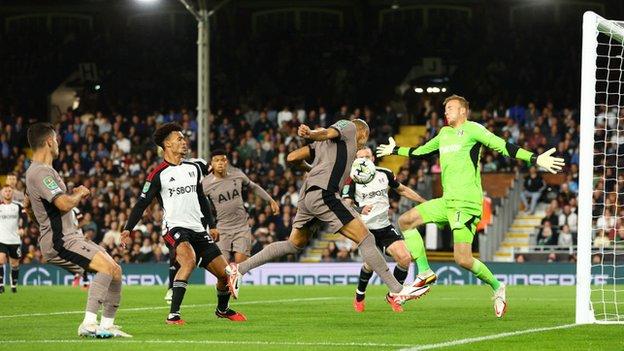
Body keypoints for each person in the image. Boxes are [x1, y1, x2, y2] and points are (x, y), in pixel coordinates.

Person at [376, 95, 565, 318]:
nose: (446, 112)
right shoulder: (444, 134)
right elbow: (422, 151)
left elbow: (504, 146)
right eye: (445, 108)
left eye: (450, 108)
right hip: (447, 201)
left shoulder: (474, 130)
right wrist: (395, 150)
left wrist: (535, 159)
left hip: (466, 203)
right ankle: (425, 272)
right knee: (405, 220)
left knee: (462, 259)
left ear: (463, 111)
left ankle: (497, 287)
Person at [227, 119, 430, 309]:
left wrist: (312, 168)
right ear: (363, 133)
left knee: (293, 244)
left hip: (308, 196)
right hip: (325, 194)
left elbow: (292, 158)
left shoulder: (323, 147)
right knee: (366, 238)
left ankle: (240, 269)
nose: (363, 144)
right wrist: (312, 134)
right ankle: (397, 290)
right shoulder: (350, 127)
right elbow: (329, 132)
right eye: (365, 138)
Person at [121, 122, 245, 324]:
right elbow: (142, 203)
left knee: (225, 275)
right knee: (188, 261)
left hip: (198, 227)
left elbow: (201, 197)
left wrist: (211, 225)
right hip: (175, 227)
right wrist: (127, 229)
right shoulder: (157, 174)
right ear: (167, 144)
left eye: (184, 138)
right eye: (179, 139)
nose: (184, 142)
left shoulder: (194, 168)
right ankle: (173, 315)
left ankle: (222, 310)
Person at [25, 123, 128, 338]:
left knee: (115, 269)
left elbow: (31, 206)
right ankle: (89, 324)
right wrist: (80, 193)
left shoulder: (43, 171)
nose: (59, 143)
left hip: (70, 236)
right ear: (49, 142)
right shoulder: (40, 172)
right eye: (57, 139)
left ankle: (107, 325)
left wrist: (41, 217)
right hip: (60, 240)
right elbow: (63, 203)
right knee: (105, 269)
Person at [342, 147, 428, 313]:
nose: (365, 161)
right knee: (370, 265)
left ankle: (394, 295)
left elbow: (402, 189)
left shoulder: (385, 173)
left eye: (367, 157)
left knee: (405, 258)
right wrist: (360, 210)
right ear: (355, 161)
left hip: (385, 226)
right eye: (361, 158)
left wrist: (422, 200)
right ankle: (360, 294)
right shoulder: (352, 180)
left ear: (373, 158)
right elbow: (346, 205)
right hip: (365, 231)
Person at [203, 149, 279, 263]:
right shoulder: (206, 183)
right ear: (211, 164)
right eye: (216, 160)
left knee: (239, 267)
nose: (220, 163)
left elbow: (254, 187)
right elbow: (199, 203)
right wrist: (209, 225)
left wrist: (270, 200)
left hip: (241, 227)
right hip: (222, 228)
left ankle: (234, 279)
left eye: (222, 160)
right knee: (223, 270)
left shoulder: (237, 174)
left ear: (226, 162)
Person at [0, 185, 27, 293]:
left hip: (14, 239)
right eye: (5, 191)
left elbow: (24, 218)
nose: (7, 193)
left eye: (10, 191)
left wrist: (22, 228)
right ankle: (1, 285)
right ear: (2, 193)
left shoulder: (18, 206)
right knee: (0, 260)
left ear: (12, 193)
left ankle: (13, 285)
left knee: (14, 264)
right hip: (1, 238)